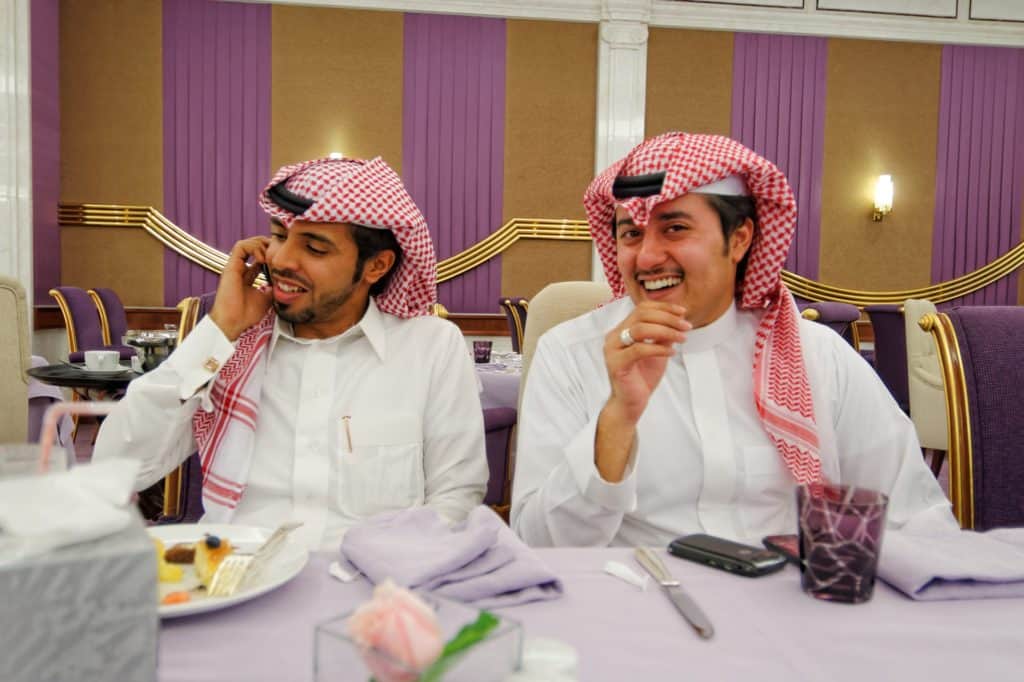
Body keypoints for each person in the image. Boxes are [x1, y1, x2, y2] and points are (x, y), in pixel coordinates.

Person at [511, 132, 956, 547]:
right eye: (630, 233)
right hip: (638, 608)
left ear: (740, 238)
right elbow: (538, 543)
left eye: (675, 228)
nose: (646, 257)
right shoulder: (570, 355)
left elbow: (915, 519)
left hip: (793, 609)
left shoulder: (819, 356)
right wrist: (617, 419)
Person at [95, 156, 488, 551]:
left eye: (314, 248)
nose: (280, 261)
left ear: (377, 266)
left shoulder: (431, 347)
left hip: (371, 586)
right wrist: (220, 330)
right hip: (241, 582)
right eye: (279, 236)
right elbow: (115, 468)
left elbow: (456, 499)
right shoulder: (232, 347)